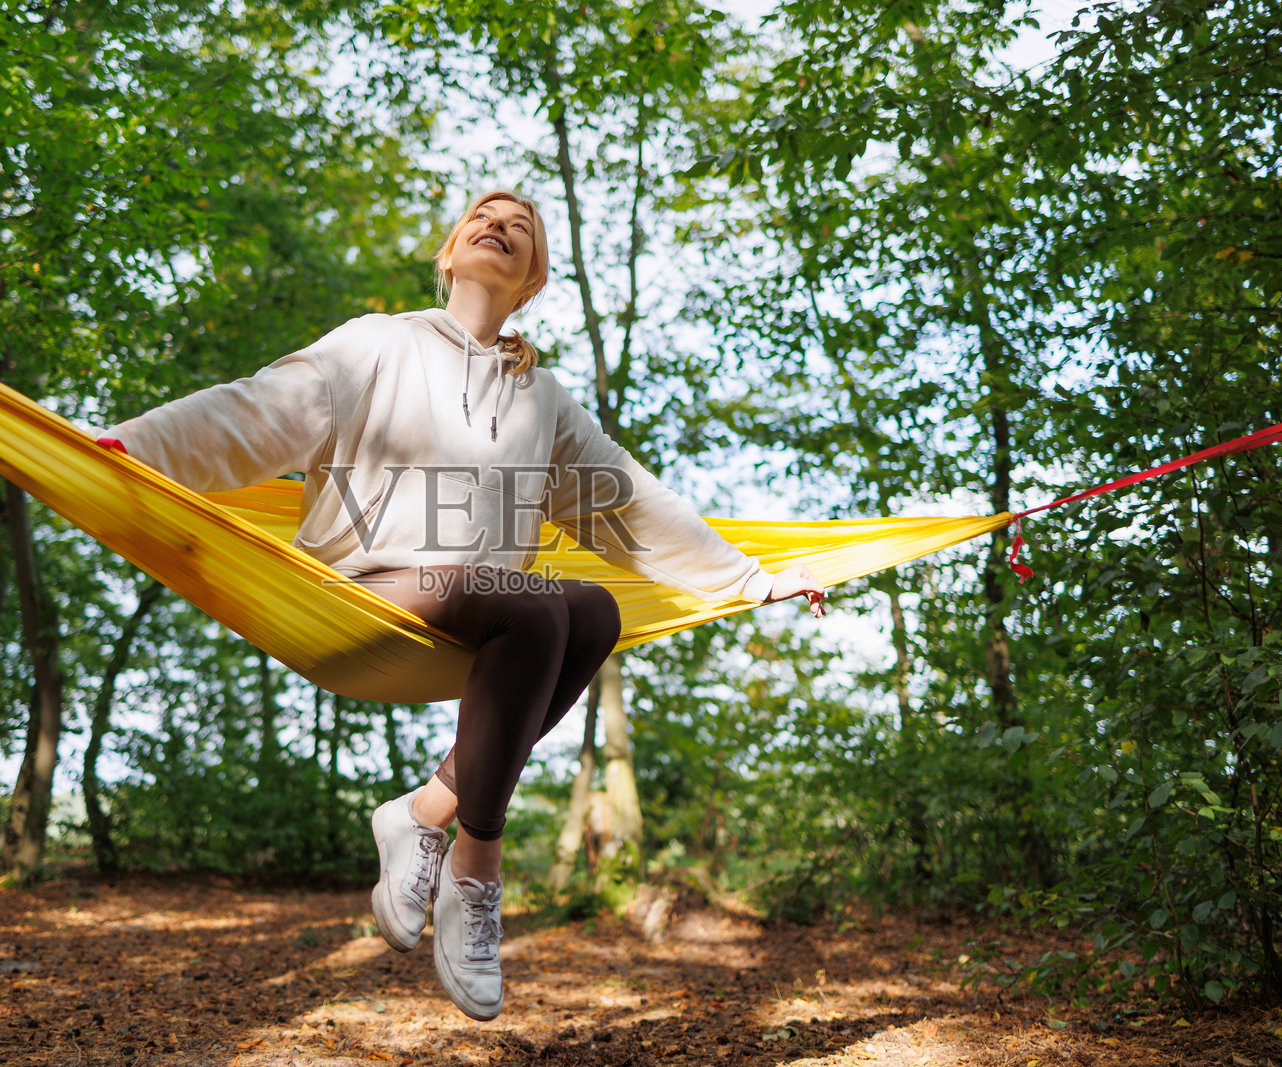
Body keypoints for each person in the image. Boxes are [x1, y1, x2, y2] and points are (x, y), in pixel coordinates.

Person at [99, 191, 827, 1021]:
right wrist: (133, 446)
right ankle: (478, 865)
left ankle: (427, 813)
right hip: (359, 597)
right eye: (484, 216)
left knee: (591, 609)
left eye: (521, 228)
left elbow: (628, 501)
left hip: (478, 627)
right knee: (539, 607)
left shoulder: (542, 400)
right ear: (449, 254)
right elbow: (259, 410)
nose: (500, 225)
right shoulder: (379, 343)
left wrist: (746, 578)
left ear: (532, 281)